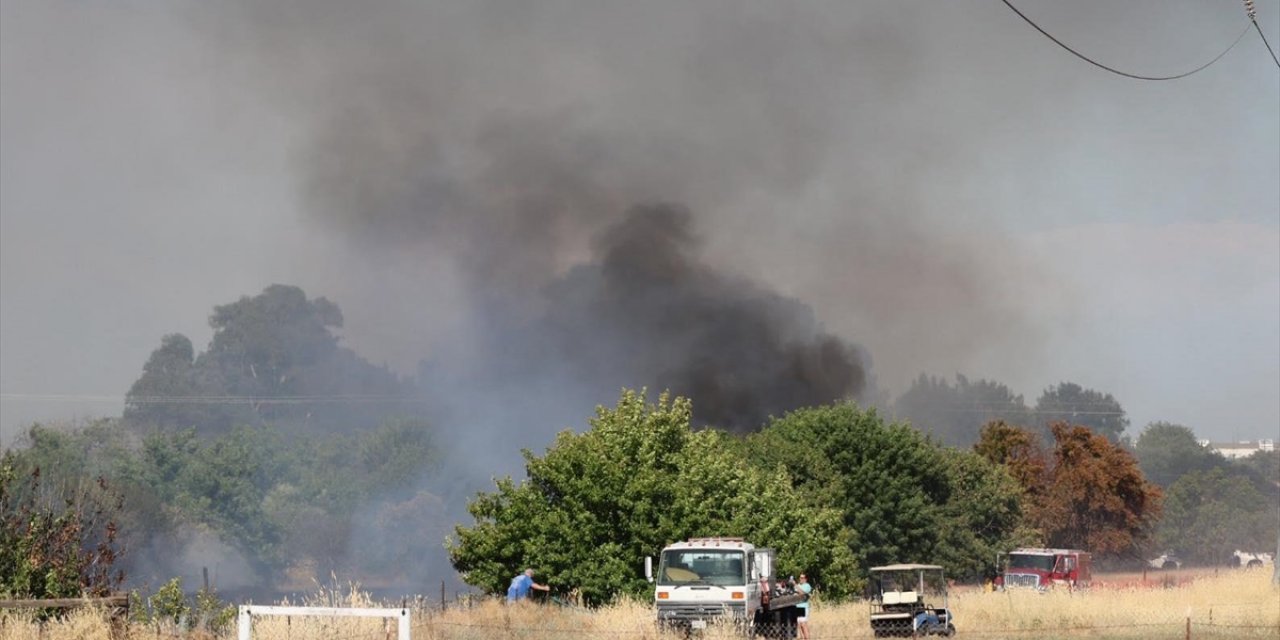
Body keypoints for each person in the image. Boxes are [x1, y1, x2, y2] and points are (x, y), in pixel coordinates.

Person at [796, 573, 812, 640]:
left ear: (805, 579)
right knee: (799, 625)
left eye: (802, 578)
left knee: (803, 624)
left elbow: (802, 593)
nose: (801, 579)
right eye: (800, 578)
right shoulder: (798, 585)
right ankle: (802, 638)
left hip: (804, 607)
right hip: (798, 606)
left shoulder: (807, 585)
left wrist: (795, 585)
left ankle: (807, 638)